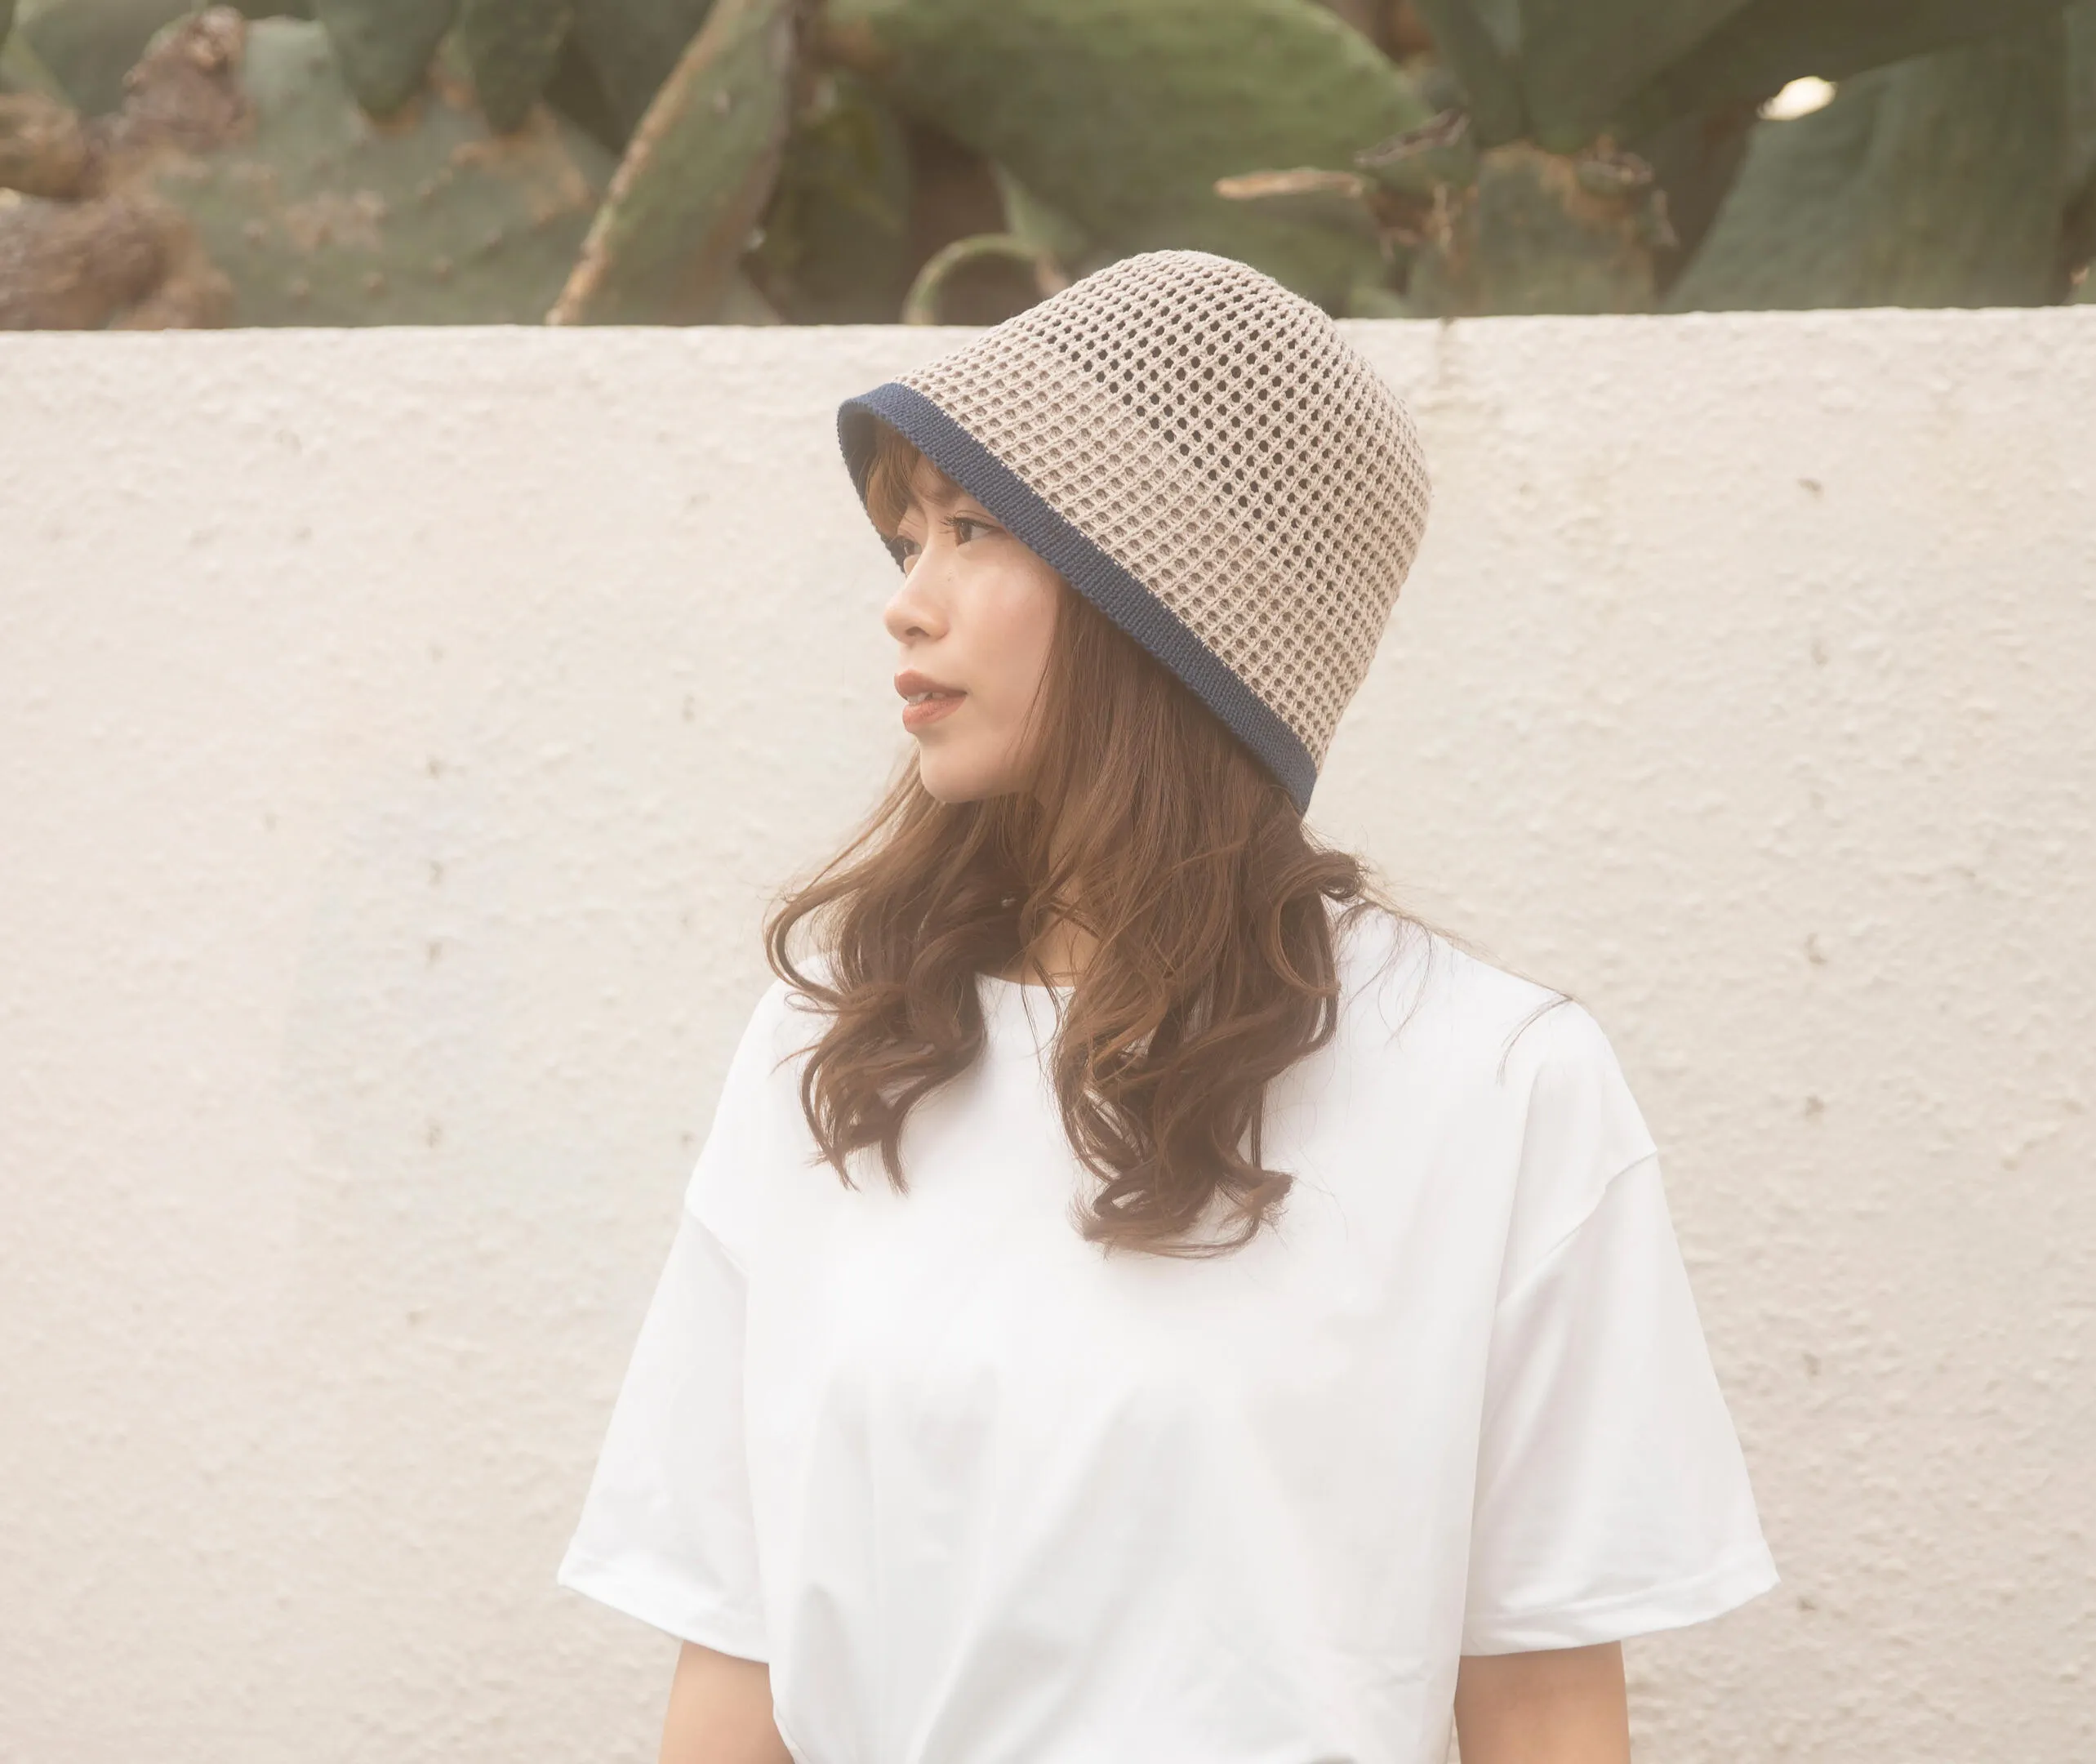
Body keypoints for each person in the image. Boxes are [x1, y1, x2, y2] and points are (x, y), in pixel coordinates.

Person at [556, 249, 1778, 1764]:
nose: (906, 605)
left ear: (1172, 609)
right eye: (909, 538)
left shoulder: (1496, 1081)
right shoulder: (837, 1053)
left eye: (974, 529)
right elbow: (736, 1672)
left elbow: (1540, 1706)